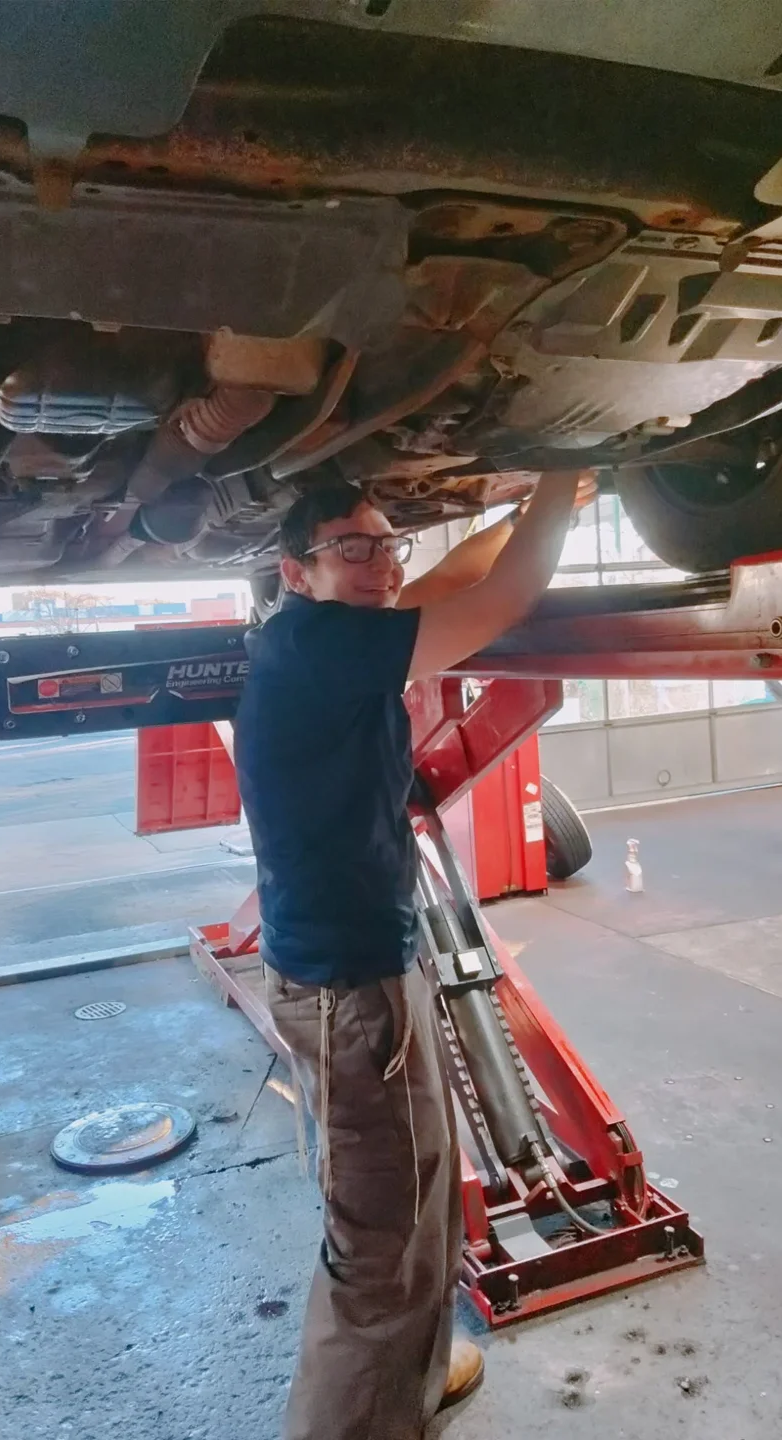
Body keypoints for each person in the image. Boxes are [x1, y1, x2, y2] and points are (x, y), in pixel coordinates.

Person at [235, 468, 598, 1440]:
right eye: (352, 549)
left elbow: (448, 581)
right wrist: (559, 488)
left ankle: (409, 1380)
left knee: (424, 1197)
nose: (380, 564)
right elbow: (504, 598)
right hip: (353, 995)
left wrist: (523, 516)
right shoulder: (323, 647)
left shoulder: (321, 635)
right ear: (295, 568)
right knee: (380, 1245)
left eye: (387, 542)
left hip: (363, 977)